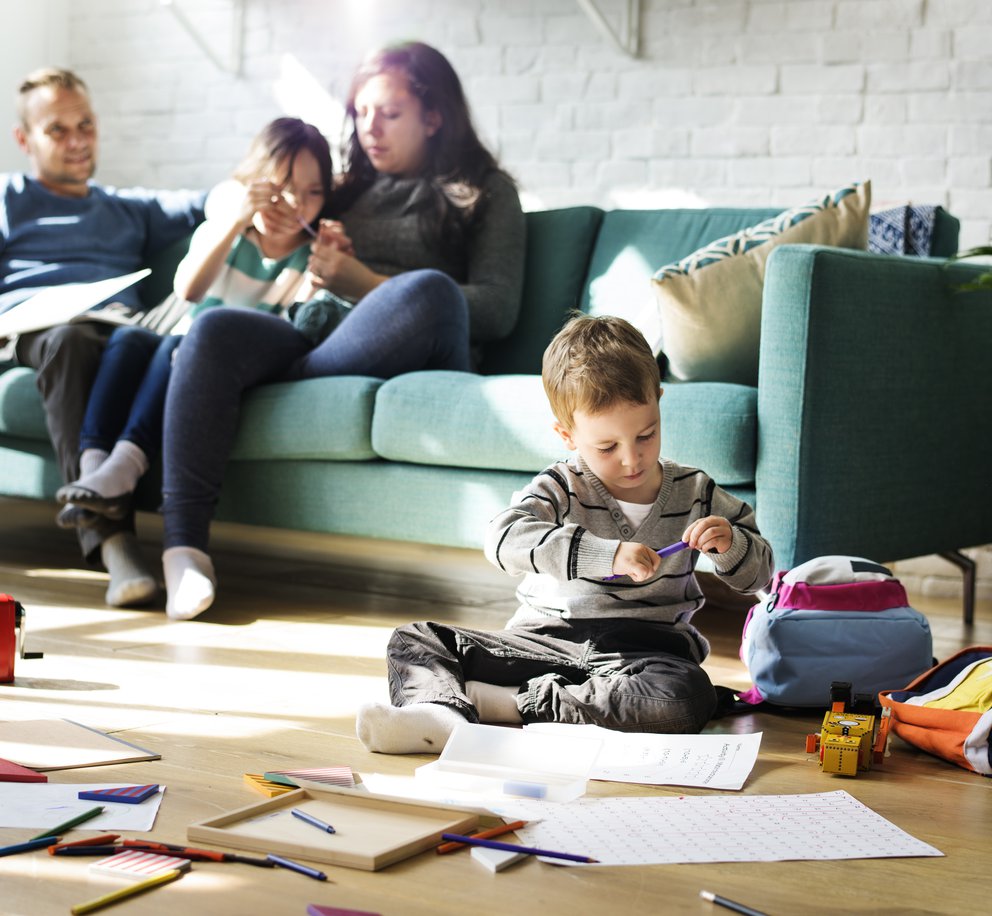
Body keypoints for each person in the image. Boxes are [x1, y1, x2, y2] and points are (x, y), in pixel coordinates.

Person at [159, 41, 526, 621]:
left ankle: (289, 377)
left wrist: (360, 279)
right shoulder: (348, 187)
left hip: (416, 339)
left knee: (426, 288)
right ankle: (183, 550)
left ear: (434, 117)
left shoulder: (485, 192)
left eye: (389, 113)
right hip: (319, 336)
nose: (369, 128)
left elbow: (496, 308)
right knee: (213, 332)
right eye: (360, 112)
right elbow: (274, 207)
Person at [356, 314, 775, 753]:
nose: (632, 460)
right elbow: (503, 538)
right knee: (416, 639)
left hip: (646, 656)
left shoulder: (696, 491)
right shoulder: (560, 486)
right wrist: (602, 555)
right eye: (607, 447)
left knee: (689, 696)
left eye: (646, 435)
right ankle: (439, 715)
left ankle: (502, 705)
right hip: (543, 643)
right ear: (567, 435)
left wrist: (731, 546)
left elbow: (760, 576)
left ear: (658, 400)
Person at [54, 118, 337, 554]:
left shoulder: (306, 255)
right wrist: (235, 220)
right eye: (281, 188)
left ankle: (124, 467)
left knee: (178, 347)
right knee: (129, 340)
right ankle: (94, 472)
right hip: (175, 338)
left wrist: (320, 276)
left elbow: (293, 327)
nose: (295, 204)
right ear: (256, 183)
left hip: (225, 360)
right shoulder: (228, 228)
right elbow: (189, 291)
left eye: (313, 192)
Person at [0, 67, 205, 607]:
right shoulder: (9, 198)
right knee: (68, 338)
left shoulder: (128, 208)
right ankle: (114, 547)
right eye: (57, 130)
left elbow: (208, 202)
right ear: (24, 140)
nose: (76, 141)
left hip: (116, 331)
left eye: (85, 125)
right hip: (39, 329)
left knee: (148, 342)